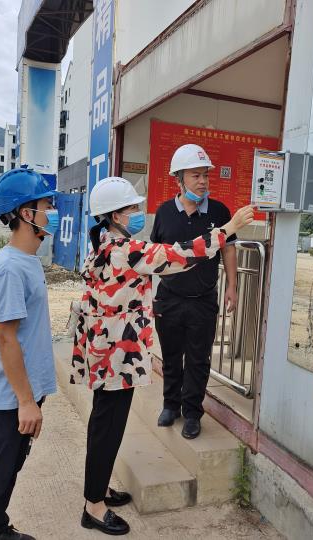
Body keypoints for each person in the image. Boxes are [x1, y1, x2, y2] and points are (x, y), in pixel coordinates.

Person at [71, 176, 254, 535]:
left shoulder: (104, 243)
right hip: (116, 354)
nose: (138, 213)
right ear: (116, 216)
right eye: (132, 208)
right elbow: (178, 254)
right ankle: (93, 507)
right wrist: (229, 228)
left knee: (103, 422)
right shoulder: (126, 249)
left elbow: (170, 260)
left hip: (105, 348)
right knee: (108, 425)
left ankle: (99, 488)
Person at [0, 165, 60, 540]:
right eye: (45, 206)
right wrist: (26, 401)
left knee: (8, 471)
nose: (51, 213)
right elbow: (6, 338)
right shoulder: (8, 269)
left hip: (23, 393)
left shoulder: (26, 261)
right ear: (25, 213)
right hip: (10, 398)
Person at [150, 144, 238, 439]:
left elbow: (228, 249)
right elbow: (155, 256)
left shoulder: (219, 211)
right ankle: (170, 405)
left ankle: (192, 413)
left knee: (198, 360)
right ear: (179, 178)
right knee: (171, 356)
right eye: (196, 175)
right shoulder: (164, 213)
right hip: (169, 299)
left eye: (205, 175)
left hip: (203, 300)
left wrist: (233, 287)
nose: (203, 181)